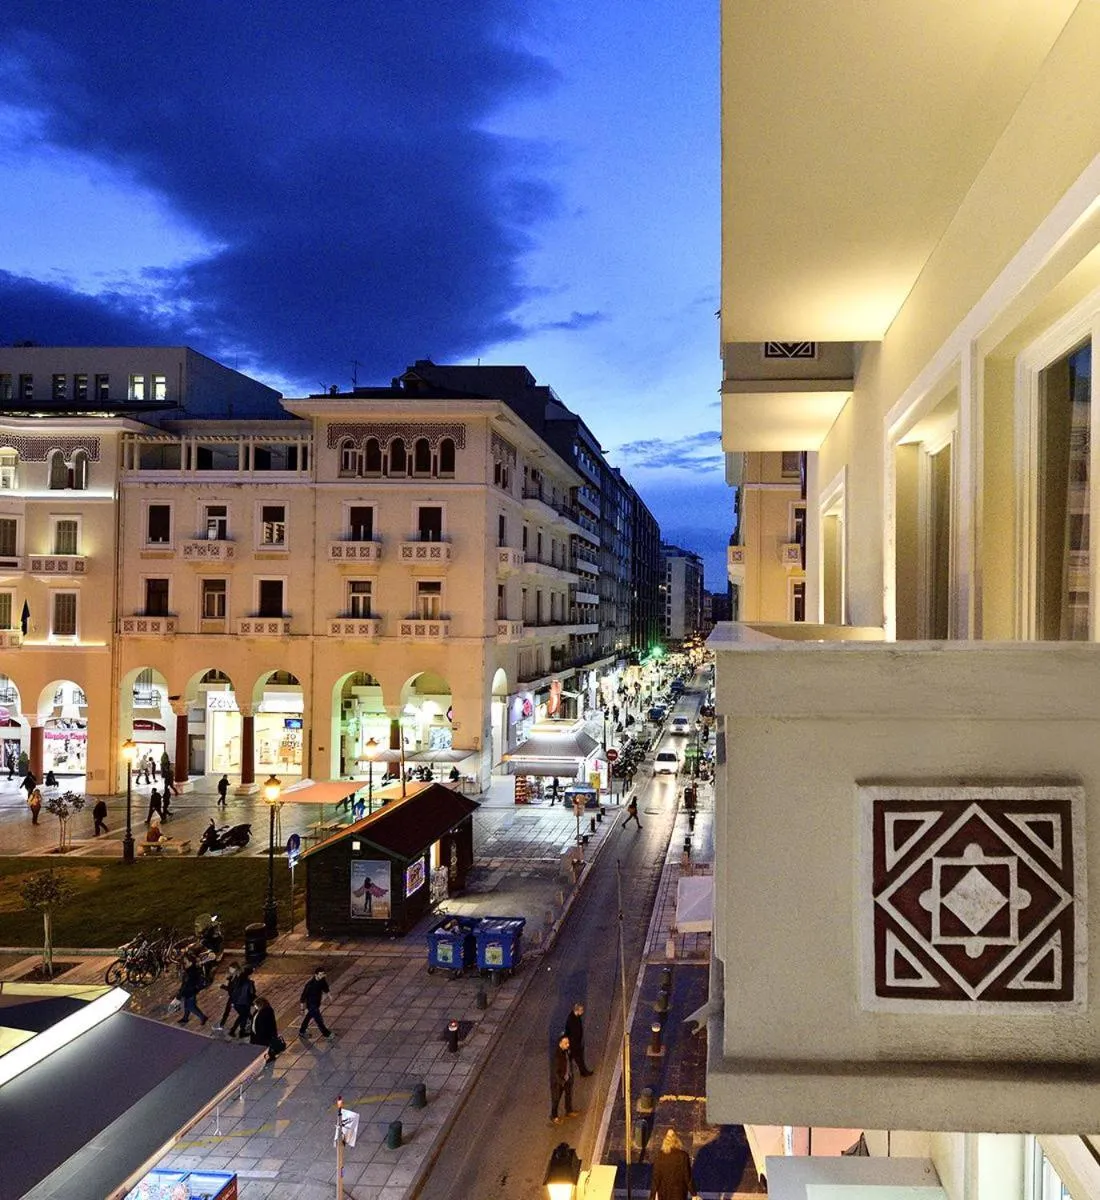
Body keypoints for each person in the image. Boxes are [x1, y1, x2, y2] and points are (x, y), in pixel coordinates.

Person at [648, 1128, 695, 1200]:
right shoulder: (683, 1156)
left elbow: (656, 1178)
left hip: (664, 1193)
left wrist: (652, 1196)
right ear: (676, 1139)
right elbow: (687, 1177)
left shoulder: (660, 1156)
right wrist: (693, 1193)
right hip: (679, 1194)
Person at [299, 966, 333, 1039]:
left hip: (317, 1003)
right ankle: (327, 1034)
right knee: (319, 1020)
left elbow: (325, 987)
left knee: (308, 1017)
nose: (322, 976)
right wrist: (302, 1009)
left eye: (323, 974)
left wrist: (329, 995)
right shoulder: (310, 985)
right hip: (311, 1005)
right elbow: (303, 997)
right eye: (320, 975)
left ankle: (302, 1031)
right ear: (316, 975)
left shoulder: (322, 979)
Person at [550, 1034, 577, 1124]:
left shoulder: (566, 1051)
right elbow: (555, 1072)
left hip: (567, 1077)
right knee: (556, 1099)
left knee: (568, 1095)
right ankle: (554, 1116)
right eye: (566, 1043)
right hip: (559, 1081)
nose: (568, 1045)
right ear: (560, 1044)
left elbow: (569, 1061)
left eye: (568, 1043)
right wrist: (561, 1082)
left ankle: (568, 1111)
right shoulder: (556, 1056)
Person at [176, 954, 209, 1026]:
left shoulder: (190, 973)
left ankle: (203, 1017)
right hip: (190, 991)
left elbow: (185, 985)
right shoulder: (191, 970)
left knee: (191, 1007)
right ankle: (185, 1018)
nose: (184, 964)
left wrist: (180, 994)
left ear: (190, 963)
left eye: (185, 962)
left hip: (190, 992)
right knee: (186, 1005)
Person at [250, 996, 284, 1061]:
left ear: (260, 1004)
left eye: (256, 1005)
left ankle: (271, 1057)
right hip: (256, 1035)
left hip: (264, 1035)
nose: (255, 1006)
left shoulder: (267, 1011)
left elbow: (268, 1025)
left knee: (266, 1047)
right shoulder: (258, 1011)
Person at [564, 1003, 593, 1076]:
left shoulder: (576, 1016)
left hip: (576, 1042)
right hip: (574, 1043)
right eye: (582, 1010)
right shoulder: (572, 1019)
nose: (583, 1012)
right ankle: (583, 1072)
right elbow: (570, 1031)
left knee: (577, 1057)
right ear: (577, 1010)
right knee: (579, 1058)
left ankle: (582, 1071)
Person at [227, 966, 256, 1037]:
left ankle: (234, 1031)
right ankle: (240, 1032)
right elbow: (252, 993)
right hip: (244, 1002)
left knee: (242, 1016)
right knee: (244, 1016)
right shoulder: (249, 982)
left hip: (236, 1002)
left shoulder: (237, 980)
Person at [215, 961, 242, 1030]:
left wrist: (222, 986)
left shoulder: (236, 978)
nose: (229, 970)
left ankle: (221, 1025)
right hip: (234, 997)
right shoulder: (234, 976)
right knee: (232, 1011)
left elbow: (231, 989)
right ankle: (221, 1024)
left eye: (231, 968)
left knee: (231, 1011)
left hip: (234, 997)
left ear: (234, 969)